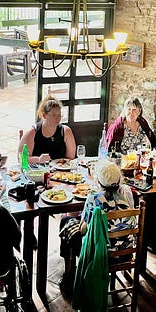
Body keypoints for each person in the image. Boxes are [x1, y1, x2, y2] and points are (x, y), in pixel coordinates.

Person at [60, 161, 134, 294]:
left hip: (101, 255)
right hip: (125, 251)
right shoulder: (127, 193)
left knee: (66, 221)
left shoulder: (93, 199)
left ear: (99, 182)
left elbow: (83, 230)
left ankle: (69, 277)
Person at [18, 96, 76, 163]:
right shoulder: (32, 132)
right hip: (37, 172)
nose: (57, 118)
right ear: (44, 115)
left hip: (60, 172)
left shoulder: (66, 131)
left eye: (59, 114)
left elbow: (71, 157)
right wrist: (38, 159)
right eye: (53, 115)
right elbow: (21, 159)